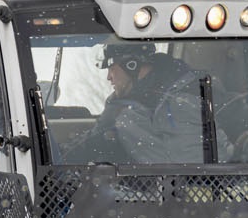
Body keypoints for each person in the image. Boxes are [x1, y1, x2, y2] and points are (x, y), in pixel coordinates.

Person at [68, 42, 206, 164]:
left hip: (180, 185)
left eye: (111, 68)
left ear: (131, 65)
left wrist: (60, 157)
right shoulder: (183, 81)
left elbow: (91, 144)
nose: (108, 77)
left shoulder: (124, 113)